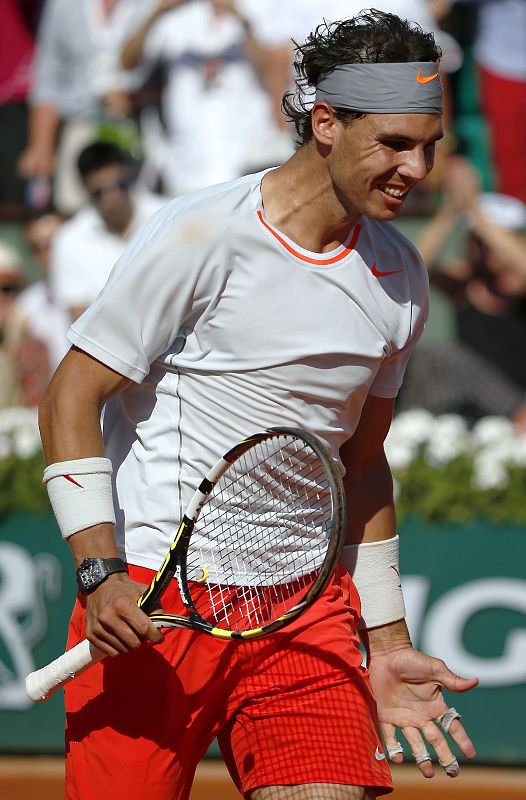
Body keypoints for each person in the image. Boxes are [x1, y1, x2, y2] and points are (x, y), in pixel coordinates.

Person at [39, 11, 478, 800]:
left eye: (431, 145)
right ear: (325, 123)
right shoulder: (200, 234)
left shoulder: (401, 275)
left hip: (301, 614)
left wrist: (386, 637)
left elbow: (363, 462)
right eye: (396, 143)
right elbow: (72, 394)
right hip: (149, 600)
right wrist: (98, 571)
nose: (420, 169)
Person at [398, 156, 526, 426]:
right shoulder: (464, 282)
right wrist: (451, 211)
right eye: (478, 241)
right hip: (476, 403)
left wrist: (476, 213)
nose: (486, 248)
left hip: (519, 405)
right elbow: (414, 268)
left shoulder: (519, 283)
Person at [120, 0, 285, 195]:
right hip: (188, 162)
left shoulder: (253, 8)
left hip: (247, 154)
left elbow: (270, 67)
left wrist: (240, 16)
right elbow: (126, 62)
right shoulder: (174, 17)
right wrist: (157, 12)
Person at [49, 141, 167, 321]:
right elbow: (78, 316)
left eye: (120, 185)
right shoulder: (69, 240)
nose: (113, 197)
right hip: (110, 345)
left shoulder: (165, 216)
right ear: (86, 189)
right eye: (100, 191)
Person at [4, 210, 70, 406]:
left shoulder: (103, 286)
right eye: (37, 247)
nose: (46, 254)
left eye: (52, 243)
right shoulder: (27, 306)